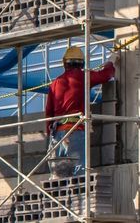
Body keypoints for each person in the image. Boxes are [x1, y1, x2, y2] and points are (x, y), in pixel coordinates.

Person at [44, 46, 117, 176]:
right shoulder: (83, 77)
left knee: (59, 174)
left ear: (65, 63)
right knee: (78, 173)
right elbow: (106, 75)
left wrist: (50, 134)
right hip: (75, 131)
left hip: (58, 133)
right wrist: (111, 62)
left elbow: (48, 112)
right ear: (82, 63)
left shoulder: (55, 83)